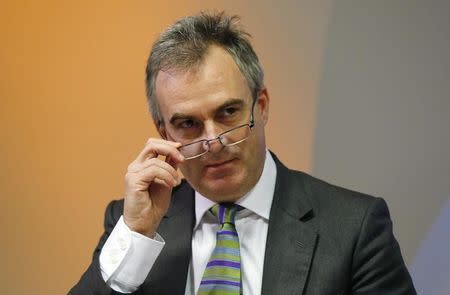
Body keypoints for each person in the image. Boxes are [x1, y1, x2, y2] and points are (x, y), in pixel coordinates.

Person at [70, 11, 416, 295]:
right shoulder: (134, 224)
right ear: (164, 134)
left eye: (227, 113)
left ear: (260, 107)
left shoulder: (354, 228)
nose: (213, 141)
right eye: (188, 124)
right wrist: (136, 234)